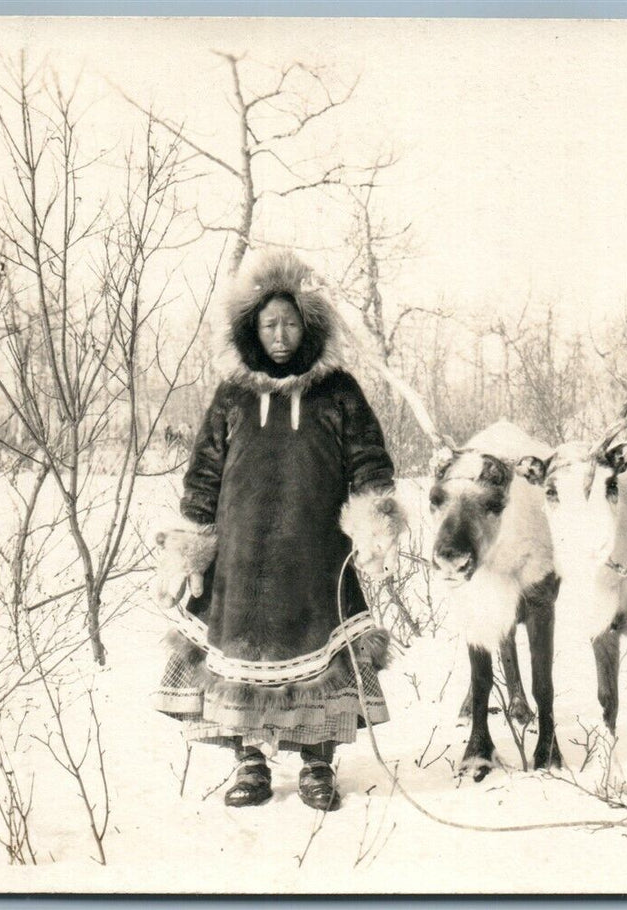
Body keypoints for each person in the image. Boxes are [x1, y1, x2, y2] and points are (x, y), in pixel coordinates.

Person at [152, 251, 406, 811]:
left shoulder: (338, 391)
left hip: (315, 554)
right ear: (252, 328)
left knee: (320, 662)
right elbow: (204, 473)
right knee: (239, 663)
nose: (281, 335)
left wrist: (374, 522)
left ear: (309, 326)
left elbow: (370, 461)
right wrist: (192, 546)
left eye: (291, 323)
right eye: (270, 324)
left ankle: (317, 763)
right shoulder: (233, 394)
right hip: (240, 557)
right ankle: (250, 762)